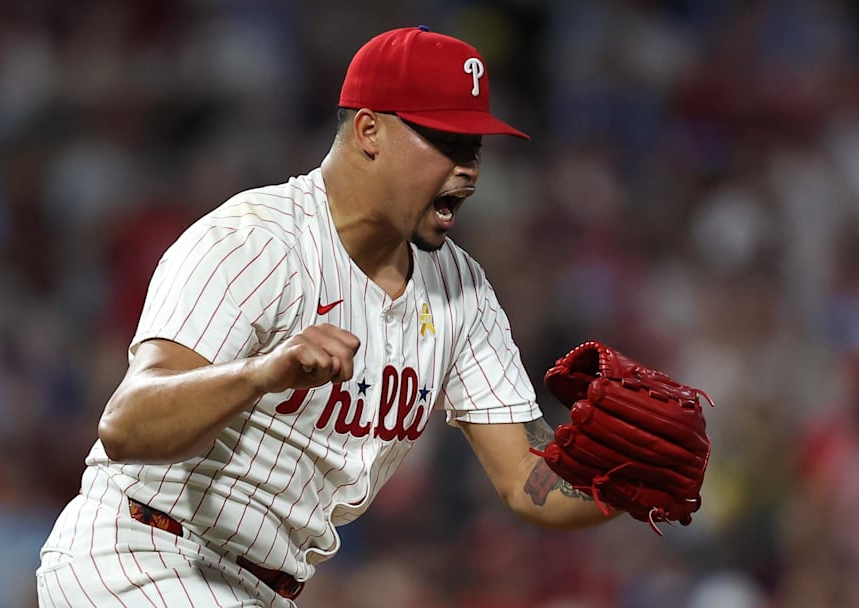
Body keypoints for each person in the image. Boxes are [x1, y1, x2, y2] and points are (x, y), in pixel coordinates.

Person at [36, 25, 619, 608]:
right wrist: (261, 373)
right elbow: (126, 425)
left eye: (475, 148)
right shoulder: (256, 242)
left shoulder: (461, 292)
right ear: (370, 130)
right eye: (447, 141)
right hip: (141, 554)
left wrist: (620, 482)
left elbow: (525, 479)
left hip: (260, 589)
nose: (468, 168)